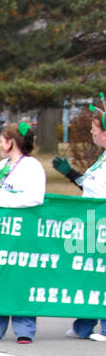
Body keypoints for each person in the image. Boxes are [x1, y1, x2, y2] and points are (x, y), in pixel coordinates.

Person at [0, 121, 46, 344]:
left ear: (12, 142)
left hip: (23, 234)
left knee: (20, 277)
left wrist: (3, 200)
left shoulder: (32, 166)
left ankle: (25, 327)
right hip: (0, 234)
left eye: (2, 139)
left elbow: (35, 197)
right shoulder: (1, 167)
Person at [53, 103, 106, 340]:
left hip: (102, 224)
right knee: (90, 274)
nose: (92, 133)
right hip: (93, 224)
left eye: (95, 129)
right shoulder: (102, 157)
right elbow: (91, 185)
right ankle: (84, 324)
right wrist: (70, 173)